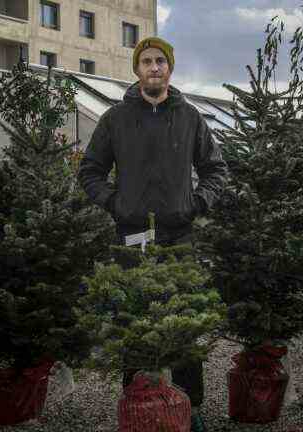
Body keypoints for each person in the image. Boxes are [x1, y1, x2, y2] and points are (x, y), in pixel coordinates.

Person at [78, 36, 227, 432]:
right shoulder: (115, 120)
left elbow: (216, 170)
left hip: (179, 235)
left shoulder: (191, 117)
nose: (154, 67)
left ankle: (191, 406)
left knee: (185, 321)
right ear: (137, 69)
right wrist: (115, 204)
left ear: (170, 68)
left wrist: (197, 204)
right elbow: (90, 171)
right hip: (131, 237)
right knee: (133, 319)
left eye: (161, 61)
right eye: (146, 61)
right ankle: (138, 404)